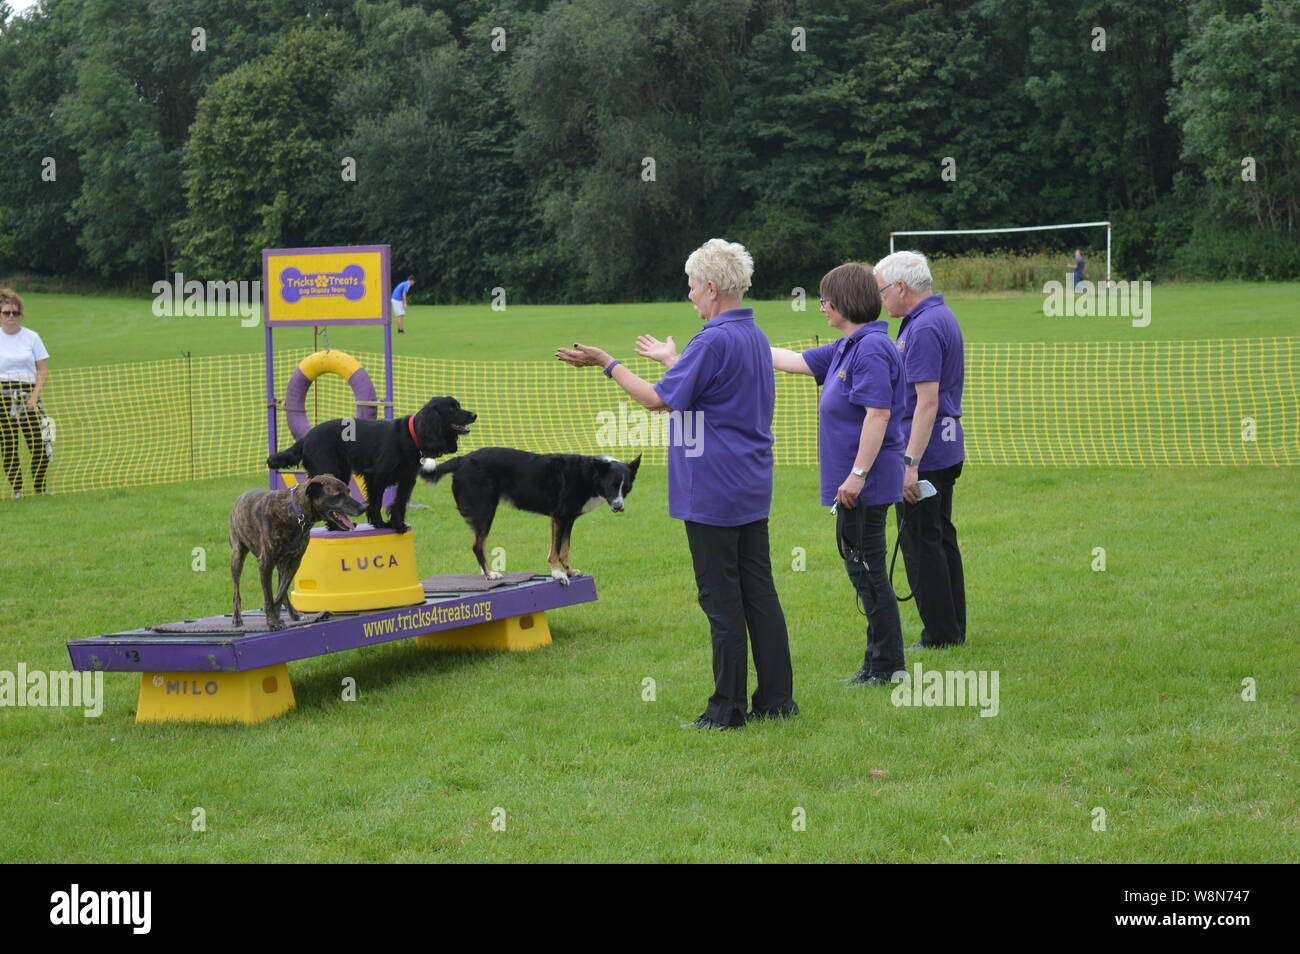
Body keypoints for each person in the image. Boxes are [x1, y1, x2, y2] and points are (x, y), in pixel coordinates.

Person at [557, 238, 797, 729]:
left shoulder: (711, 340)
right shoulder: (752, 334)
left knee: (720, 599)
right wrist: (673, 359)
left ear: (711, 287)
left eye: (691, 287)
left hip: (713, 488)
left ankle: (726, 711)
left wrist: (607, 362)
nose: (689, 296)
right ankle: (776, 700)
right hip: (751, 484)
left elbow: (656, 402)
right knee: (760, 594)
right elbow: (707, 390)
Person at [768, 263, 906, 684]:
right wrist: (741, 340)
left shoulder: (871, 350)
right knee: (861, 568)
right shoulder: (848, 346)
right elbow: (792, 361)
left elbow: (878, 415)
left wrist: (858, 474)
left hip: (865, 483)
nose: (822, 307)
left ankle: (886, 667)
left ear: (845, 302)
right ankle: (875, 662)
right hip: (853, 485)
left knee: (868, 570)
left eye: (826, 299)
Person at [873, 251, 966, 649]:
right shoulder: (936, 317)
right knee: (939, 537)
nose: (881, 300)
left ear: (900, 287)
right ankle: (951, 628)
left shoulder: (924, 328)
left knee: (921, 542)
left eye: (882, 291)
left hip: (925, 452)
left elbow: (926, 402)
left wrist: (909, 464)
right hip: (944, 447)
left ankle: (940, 635)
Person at [0, 289, 52, 497]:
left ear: (20, 314)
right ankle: (18, 490)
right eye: (6, 313)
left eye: (15, 313)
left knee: (40, 445)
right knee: (9, 446)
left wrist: (35, 395)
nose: (11, 317)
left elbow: (43, 369)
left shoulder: (32, 337)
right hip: (2, 398)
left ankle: (40, 487)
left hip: (28, 396)